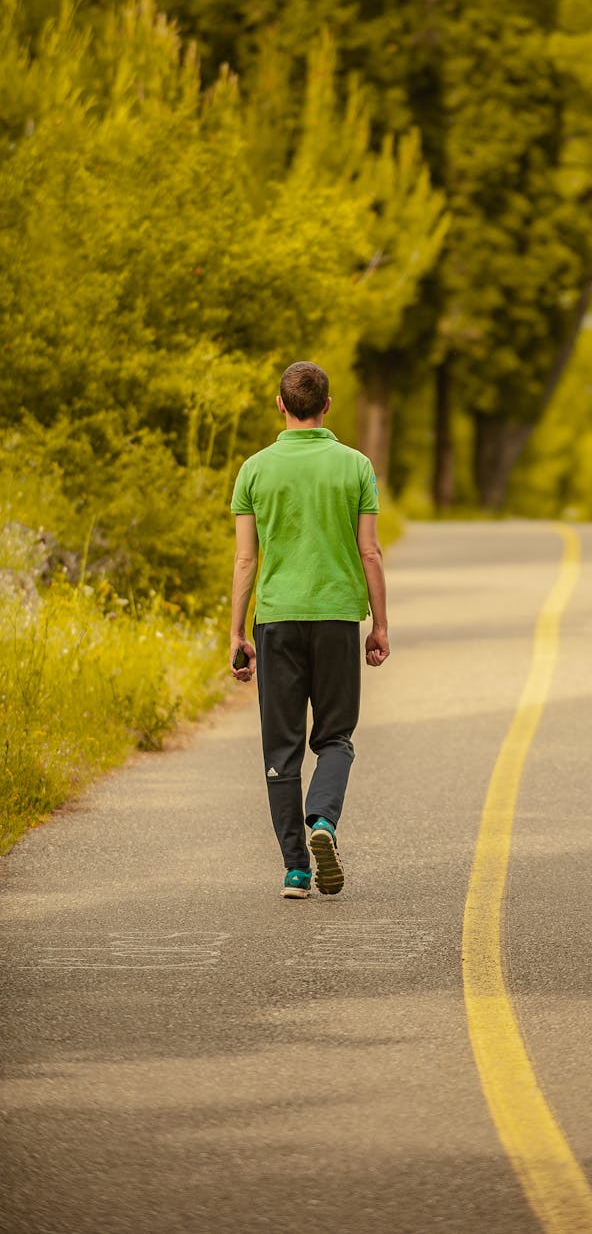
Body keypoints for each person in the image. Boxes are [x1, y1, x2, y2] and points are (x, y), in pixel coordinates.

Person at [229, 360, 389, 899]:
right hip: (338, 618)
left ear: (280, 404)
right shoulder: (356, 466)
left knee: (282, 748)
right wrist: (380, 626)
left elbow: (245, 561)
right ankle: (323, 820)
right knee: (336, 737)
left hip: (275, 619)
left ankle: (296, 870)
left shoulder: (254, 470)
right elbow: (370, 551)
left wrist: (236, 634)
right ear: (327, 405)